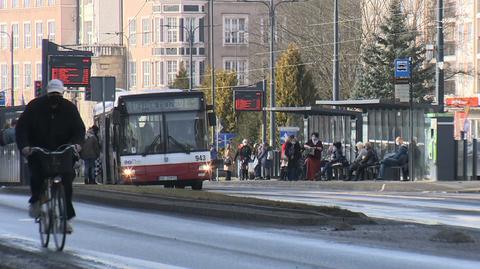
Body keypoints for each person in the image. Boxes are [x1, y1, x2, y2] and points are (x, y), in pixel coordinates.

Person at [15, 79, 85, 233]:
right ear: (47, 93)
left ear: (62, 94)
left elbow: (79, 129)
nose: (55, 98)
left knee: (67, 180)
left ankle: (65, 218)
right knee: (37, 175)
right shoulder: (34, 107)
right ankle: (36, 201)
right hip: (39, 149)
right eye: (52, 94)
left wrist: (77, 144)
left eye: (57, 94)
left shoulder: (69, 108)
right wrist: (25, 146)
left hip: (62, 150)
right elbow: (22, 128)